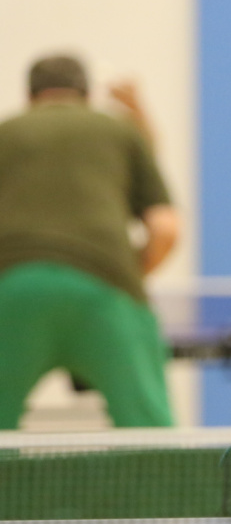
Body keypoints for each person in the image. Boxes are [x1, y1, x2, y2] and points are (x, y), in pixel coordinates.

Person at [0, 54, 180, 429]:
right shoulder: (120, 129)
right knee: (152, 438)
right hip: (105, 287)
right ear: (86, 94)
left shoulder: (7, 132)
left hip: (11, 287)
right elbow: (165, 229)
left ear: (30, 97)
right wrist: (125, 275)